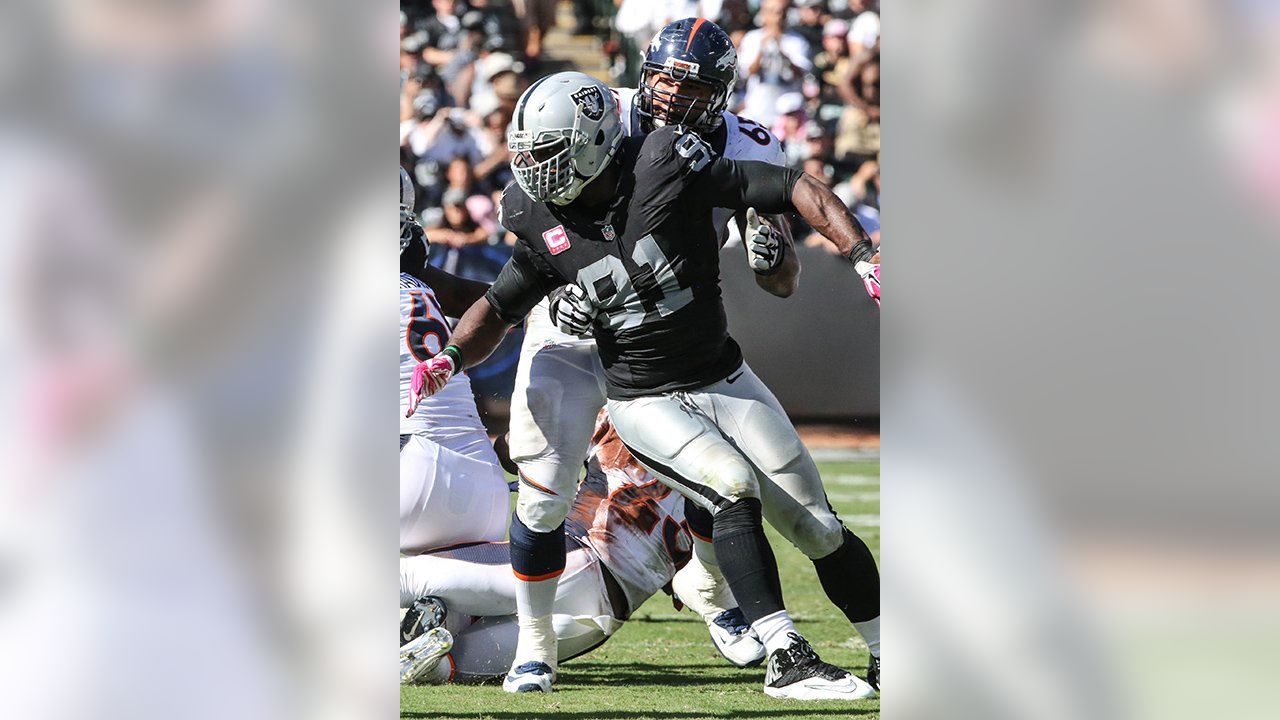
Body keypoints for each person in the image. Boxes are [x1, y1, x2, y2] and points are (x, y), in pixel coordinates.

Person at [406, 72, 879, 700]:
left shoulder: (665, 161)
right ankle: (781, 654)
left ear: (597, 140)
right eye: (529, 159)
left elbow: (789, 186)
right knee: (721, 486)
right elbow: (500, 303)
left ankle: (878, 652)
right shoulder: (537, 213)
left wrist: (863, 254)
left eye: (549, 157)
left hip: (722, 374)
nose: (536, 175)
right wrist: (453, 357)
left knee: (817, 525)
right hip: (640, 391)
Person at [502, 18, 807, 690]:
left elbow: (781, 279)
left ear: (723, 91)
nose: (674, 94)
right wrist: (558, 295)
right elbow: (534, 212)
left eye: (694, 84)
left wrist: (773, 252)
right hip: (575, 325)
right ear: (644, 69)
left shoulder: (748, 142)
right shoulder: (596, 112)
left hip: (666, 335)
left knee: (715, 474)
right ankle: (534, 643)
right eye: (666, 76)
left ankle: (711, 591)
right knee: (546, 493)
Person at [399, 412, 765, 684]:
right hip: (600, 617)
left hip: (564, 562)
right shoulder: (725, 474)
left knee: (407, 577)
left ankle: (441, 614)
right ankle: (444, 618)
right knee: (441, 667)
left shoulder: (626, 412)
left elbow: (513, 447)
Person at [398, 168, 508, 554]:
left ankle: (410, 582)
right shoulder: (420, 286)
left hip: (408, 474)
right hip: (488, 490)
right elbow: (495, 305)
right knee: (480, 612)